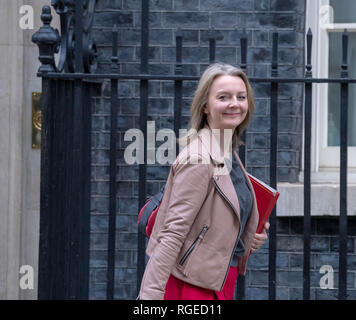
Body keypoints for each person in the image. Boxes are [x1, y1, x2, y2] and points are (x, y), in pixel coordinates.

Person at [138, 62, 269, 300]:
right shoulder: (199, 158)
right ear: (206, 106)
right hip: (189, 287)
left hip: (217, 281)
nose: (234, 104)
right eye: (223, 97)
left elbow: (213, 219)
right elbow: (172, 233)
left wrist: (246, 234)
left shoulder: (227, 151)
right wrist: (150, 297)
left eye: (241, 96)